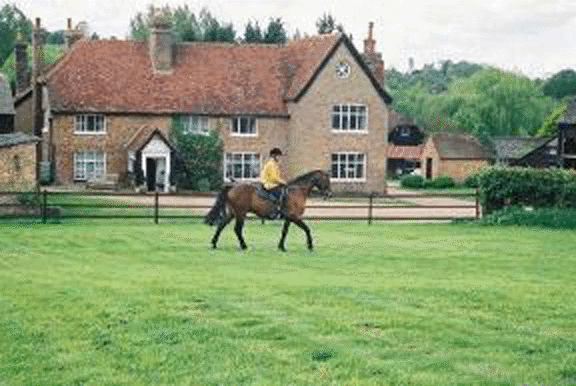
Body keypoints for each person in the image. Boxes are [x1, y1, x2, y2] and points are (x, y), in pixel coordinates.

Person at [260, 148, 287, 219]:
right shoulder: (271, 164)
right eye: (279, 156)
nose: (280, 158)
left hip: (271, 183)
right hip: (269, 184)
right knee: (282, 193)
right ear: (274, 156)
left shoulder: (273, 164)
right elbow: (273, 178)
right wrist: (283, 182)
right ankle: (276, 211)